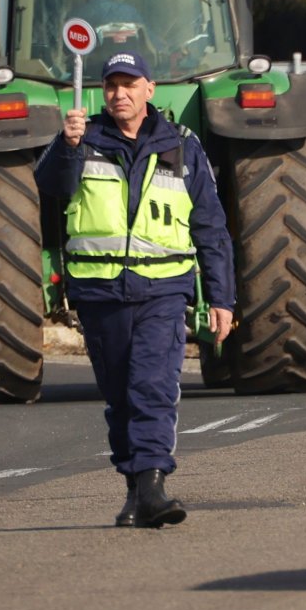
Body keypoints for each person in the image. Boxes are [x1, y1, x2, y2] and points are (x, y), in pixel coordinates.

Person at [36, 50, 235, 528]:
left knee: (153, 386)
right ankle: (135, 488)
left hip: (163, 291)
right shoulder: (83, 141)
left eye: (129, 84)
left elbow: (211, 228)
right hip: (100, 293)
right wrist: (66, 145)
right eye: (111, 85)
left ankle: (153, 485)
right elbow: (50, 186)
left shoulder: (183, 146)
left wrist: (221, 299)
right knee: (120, 396)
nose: (119, 93)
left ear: (150, 89)